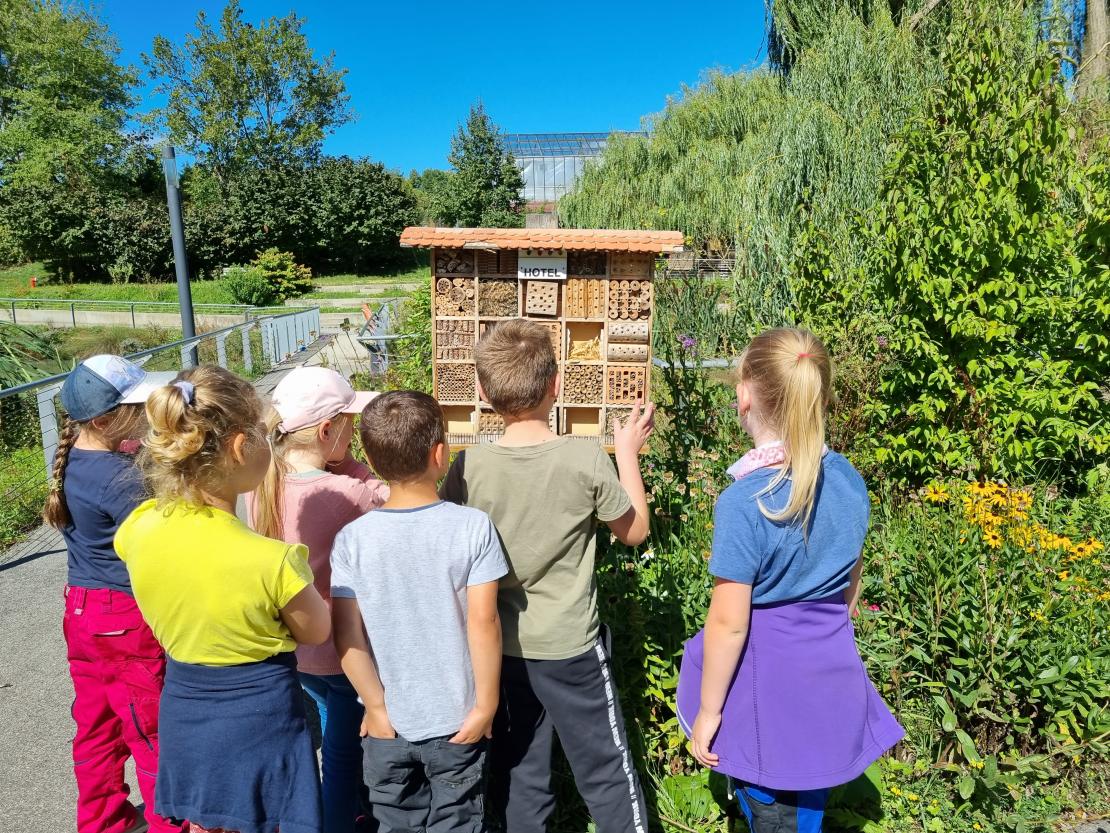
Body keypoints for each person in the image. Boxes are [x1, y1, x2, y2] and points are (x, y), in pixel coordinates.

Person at [676, 328, 904, 833]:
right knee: (807, 801)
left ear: (744, 396)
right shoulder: (845, 476)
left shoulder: (744, 502)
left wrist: (709, 712)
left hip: (768, 689)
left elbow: (729, 624)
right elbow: (851, 580)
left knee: (774, 806)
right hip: (827, 672)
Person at [440, 319, 655, 833]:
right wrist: (627, 453)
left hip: (497, 649)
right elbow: (635, 531)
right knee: (606, 771)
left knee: (521, 777)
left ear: (484, 393)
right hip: (570, 645)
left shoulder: (468, 467)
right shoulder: (583, 458)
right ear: (556, 385)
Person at [115, 365, 332, 833]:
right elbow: (316, 631)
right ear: (238, 447)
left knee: (203, 822)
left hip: (184, 707)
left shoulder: (138, 528)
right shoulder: (272, 561)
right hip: (260, 718)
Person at [331, 390, 507, 833]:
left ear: (371, 461)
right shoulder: (472, 527)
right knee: (457, 822)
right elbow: (484, 622)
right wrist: (486, 704)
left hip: (387, 724)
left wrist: (375, 705)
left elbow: (347, 635)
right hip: (458, 721)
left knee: (395, 823)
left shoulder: (352, 539)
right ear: (440, 454)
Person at [247, 366, 388, 833]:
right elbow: (397, 499)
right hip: (344, 649)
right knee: (344, 757)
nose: (357, 432)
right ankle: (340, 822)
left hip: (299, 647)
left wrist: (335, 458)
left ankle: (348, 812)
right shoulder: (347, 492)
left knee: (330, 727)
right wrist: (353, 465)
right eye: (351, 423)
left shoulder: (263, 483)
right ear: (327, 430)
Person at [45, 355, 181, 833]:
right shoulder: (122, 479)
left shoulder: (74, 460)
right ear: (104, 421)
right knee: (151, 730)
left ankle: (102, 820)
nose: (146, 413)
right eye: (136, 408)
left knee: (97, 726)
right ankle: (170, 823)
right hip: (125, 618)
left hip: (82, 610)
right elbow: (162, 548)